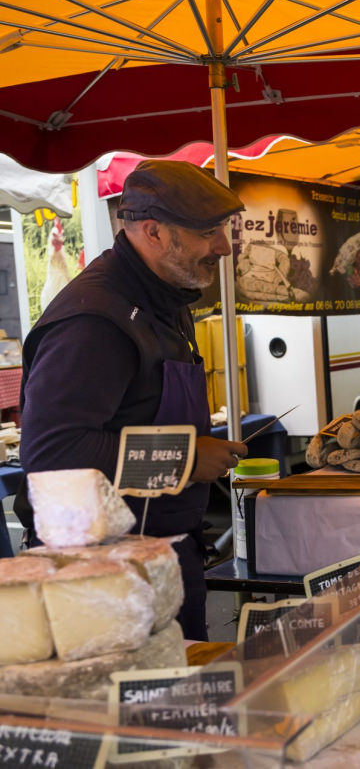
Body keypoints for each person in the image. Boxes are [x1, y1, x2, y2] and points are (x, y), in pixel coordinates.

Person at [16, 160, 249, 641]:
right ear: (153, 232)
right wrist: (183, 459)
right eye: (209, 232)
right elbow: (52, 456)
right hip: (104, 576)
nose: (224, 247)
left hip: (161, 554)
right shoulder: (94, 322)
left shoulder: (168, 299)